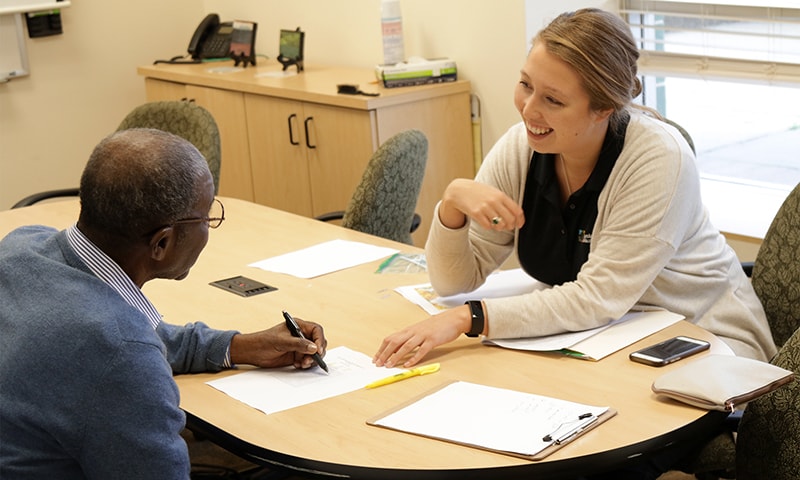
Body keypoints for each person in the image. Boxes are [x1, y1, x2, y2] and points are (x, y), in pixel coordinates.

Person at [374, 9, 775, 370]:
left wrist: (468, 318)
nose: (529, 110)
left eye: (553, 99)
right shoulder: (522, 148)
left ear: (603, 108)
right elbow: (453, 282)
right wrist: (452, 206)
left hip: (707, 343)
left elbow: (597, 298)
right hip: (605, 340)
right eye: (525, 85)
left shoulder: (658, 158)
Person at [0, 128, 328, 479]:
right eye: (206, 218)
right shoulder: (122, 355)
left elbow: (99, 341)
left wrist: (239, 347)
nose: (208, 228)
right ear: (161, 244)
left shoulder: (21, 247)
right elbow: (116, 348)